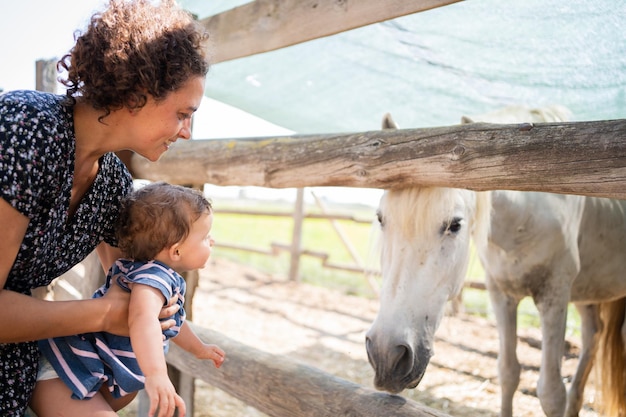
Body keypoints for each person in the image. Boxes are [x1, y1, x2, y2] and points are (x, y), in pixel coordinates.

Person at [0, 0, 210, 414]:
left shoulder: (113, 183)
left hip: (20, 371)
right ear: (138, 93)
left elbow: (130, 283)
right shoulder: (27, 127)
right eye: (183, 114)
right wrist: (104, 315)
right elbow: (112, 310)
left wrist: (155, 309)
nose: (187, 132)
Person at [31, 182, 225, 417]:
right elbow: (143, 320)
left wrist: (199, 348)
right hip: (65, 374)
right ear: (176, 251)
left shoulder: (148, 273)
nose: (211, 242)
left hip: (79, 375)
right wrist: (156, 374)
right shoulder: (153, 278)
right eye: (205, 237)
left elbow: (171, 322)